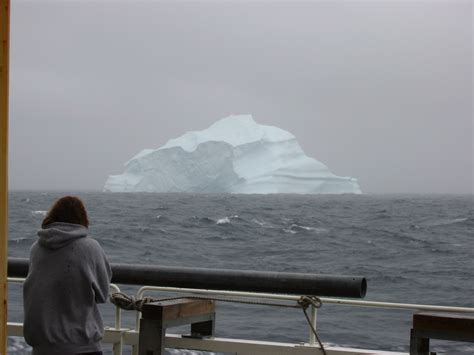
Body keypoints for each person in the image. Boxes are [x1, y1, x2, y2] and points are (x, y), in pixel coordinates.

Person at [23, 196, 112, 355]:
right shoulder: (90, 247)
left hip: (42, 348)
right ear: (83, 219)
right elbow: (103, 293)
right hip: (81, 347)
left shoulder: (36, 248)